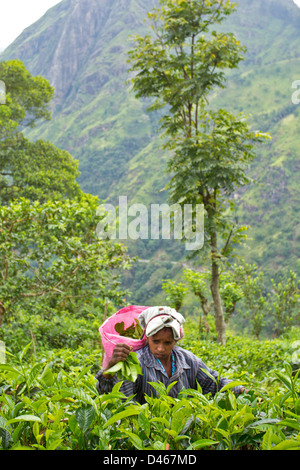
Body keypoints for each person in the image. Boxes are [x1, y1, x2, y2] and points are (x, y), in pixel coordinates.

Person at [96, 306, 246, 404]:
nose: (160, 348)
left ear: (176, 340)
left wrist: (238, 389)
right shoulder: (137, 362)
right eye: (155, 341)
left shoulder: (188, 361)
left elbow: (213, 383)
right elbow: (123, 400)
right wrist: (109, 371)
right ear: (147, 338)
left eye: (167, 343)